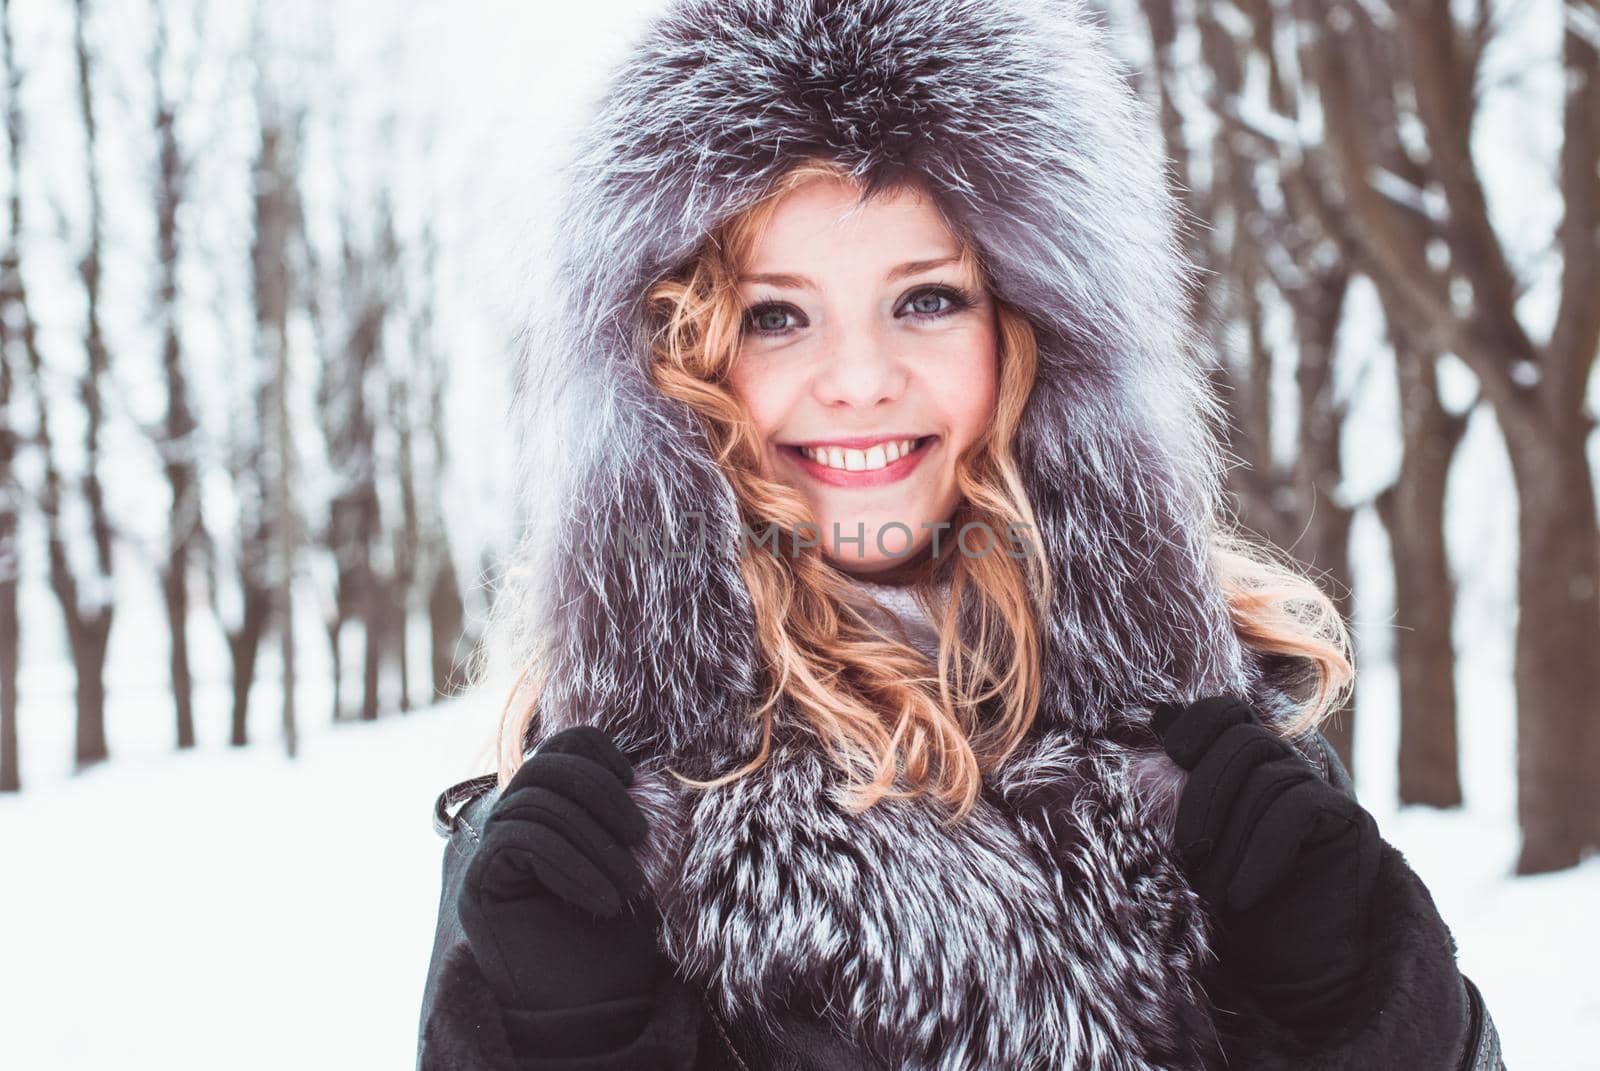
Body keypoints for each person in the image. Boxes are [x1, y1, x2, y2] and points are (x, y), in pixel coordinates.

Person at [417, 0, 1505, 1068]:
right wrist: (568, 1044)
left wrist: (1362, 1006)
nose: (857, 381)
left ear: (1032, 330)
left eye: (927, 300)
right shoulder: (589, 827)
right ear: (671, 365)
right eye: (773, 315)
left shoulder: (1212, 745)